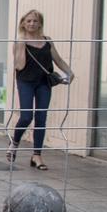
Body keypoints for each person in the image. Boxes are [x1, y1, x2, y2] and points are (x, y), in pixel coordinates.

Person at [8, 10, 73, 171]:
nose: (32, 24)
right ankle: (14, 142)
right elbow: (19, 66)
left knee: (41, 118)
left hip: (44, 83)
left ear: (40, 24)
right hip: (26, 82)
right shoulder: (19, 41)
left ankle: (37, 155)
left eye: (35, 21)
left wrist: (69, 72)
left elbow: (57, 60)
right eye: (28, 21)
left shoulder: (47, 40)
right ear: (23, 23)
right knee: (26, 116)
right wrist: (22, 44)